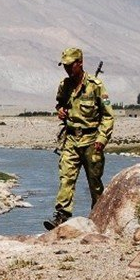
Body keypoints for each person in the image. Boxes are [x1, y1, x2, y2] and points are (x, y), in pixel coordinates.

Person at [45, 47, 114, 230]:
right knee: (66, 177)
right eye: (65, 65)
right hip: (71, 140)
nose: (67, 69)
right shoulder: (64, 85)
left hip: (92, 140)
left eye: (70, 65)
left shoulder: (95, 86)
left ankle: (99, 215)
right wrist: (60, 110)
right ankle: (61, 216)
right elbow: (60, 103)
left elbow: (108, 116)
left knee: (94, 181)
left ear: (80, 63)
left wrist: (102, 139)